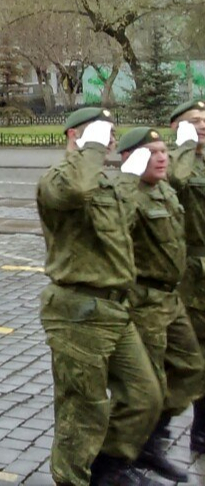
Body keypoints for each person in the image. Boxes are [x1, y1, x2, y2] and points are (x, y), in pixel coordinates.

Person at [37, 107, 161, 485]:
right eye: (102, 133)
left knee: (146, 396)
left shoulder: (106, 184)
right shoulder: (56, 180)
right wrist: (89, 148)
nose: (110, 140)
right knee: (82, 411)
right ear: (76, 136)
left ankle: (107, 468)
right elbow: (76, 188)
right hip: (77, 312)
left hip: (114, 309)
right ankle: (72, 478)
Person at [117, 126, 201, 482]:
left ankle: (152, 441)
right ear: (131, 158)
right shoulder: (126, 196)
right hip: (143, 300)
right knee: (144, 386)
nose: (163, 157)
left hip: (172, 297)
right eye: (152, 152)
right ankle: (125, 457)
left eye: (165, 150)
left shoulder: (165, 190)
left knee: (191, 368)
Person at [167, 98, 205, 454]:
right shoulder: (176, 161)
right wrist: (186, 143)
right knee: (190, 355)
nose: (204, 123)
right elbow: (175, 182)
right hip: (192, 273)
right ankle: (154, 433)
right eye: (195, 120)